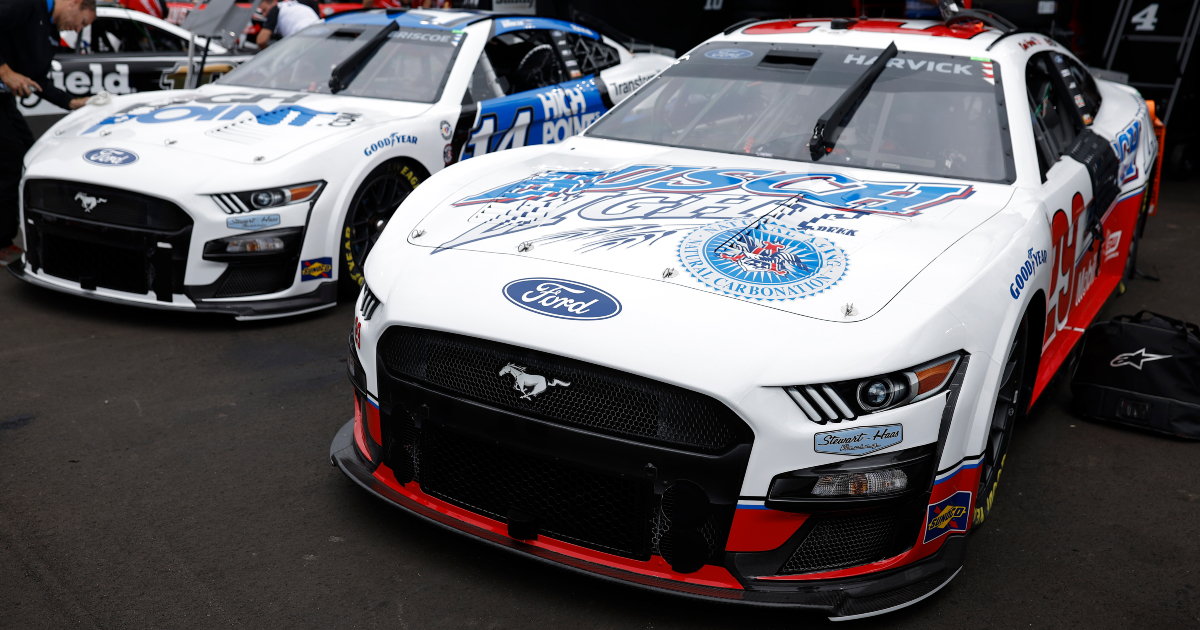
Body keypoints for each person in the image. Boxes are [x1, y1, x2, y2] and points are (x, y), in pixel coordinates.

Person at [0, 0, 96, 266]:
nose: (77, 30)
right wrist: (5, 72)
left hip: (3, 100)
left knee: (31, 157)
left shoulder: (49, 31)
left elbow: (38, 80)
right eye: (83, 22)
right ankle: (1, 243)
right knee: (11, 162)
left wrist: (73, 102)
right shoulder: (28, 5)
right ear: (75, 3)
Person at [256, 0, 320, 49]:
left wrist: (269, 57)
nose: (264, 15)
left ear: (274, 2)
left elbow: (261, 40)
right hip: (319, 30)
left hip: (302, 35)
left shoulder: (275, 9)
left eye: (264, 10)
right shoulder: (292, 5)